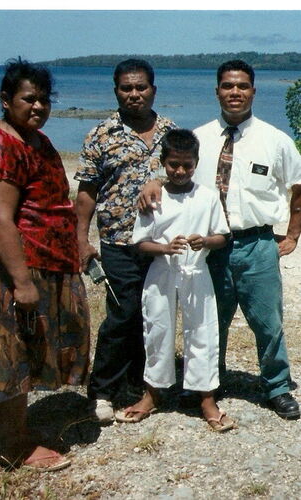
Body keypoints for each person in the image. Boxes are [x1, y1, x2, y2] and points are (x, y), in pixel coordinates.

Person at [138, 59, 301, 420]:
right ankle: (208, 383)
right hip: (211, 246)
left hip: (257, 244)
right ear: (217, 91)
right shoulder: (200, 138)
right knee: (209, 320)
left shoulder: (275, 140)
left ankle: (277, 387)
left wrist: (292, 235)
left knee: (267, 321)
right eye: (228, 86)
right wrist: (152, 181)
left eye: (242, 86)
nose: (235, 92)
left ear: (253, 91)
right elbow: (171, 170)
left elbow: (298, 187)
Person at [0, 58, 90, 470]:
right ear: (5, 100)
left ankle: (14, 431)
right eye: (28, 99)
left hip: (46, 261)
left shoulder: (35, 139)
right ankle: (12, 446)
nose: (37, 106)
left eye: (43, 100)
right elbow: (0, 218)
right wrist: (21, 282)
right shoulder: (0, 144)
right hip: (15, 268)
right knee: (9, 356)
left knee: (23, 353)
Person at [75, 58, 176, 422]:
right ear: (116, 91)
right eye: (126, 88)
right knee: (122, 313)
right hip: (118, 241)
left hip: (162, 242)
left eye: (141, 87)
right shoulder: (101, 135)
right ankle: (102, 390)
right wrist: (80, 240)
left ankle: (140, 382)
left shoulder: (171, 131)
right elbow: (86, 193)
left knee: (155, 313)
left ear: (153, 89)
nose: (134, 94)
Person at [114, 129, 235, 431]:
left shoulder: (207, 197)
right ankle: (153, 392)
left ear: (196, 163)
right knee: (157, 329)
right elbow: (139, 242)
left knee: (202, 331)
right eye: (173, 165)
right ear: (163, 163)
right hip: (162, 271)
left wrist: (205, 241)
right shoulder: (153, 197)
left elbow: (222, 236)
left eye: (187, 165)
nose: (180, 171)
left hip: (197, 272)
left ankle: (206, 397)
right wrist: (164, 248)